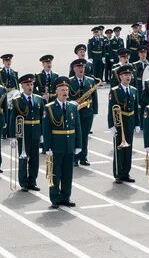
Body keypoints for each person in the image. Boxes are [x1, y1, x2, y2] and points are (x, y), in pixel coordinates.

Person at [42, 77, 82, 208]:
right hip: (56, 145)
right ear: (56, 92)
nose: (65, 92)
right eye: (62, 89)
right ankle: (55, 198)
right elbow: (46, 129)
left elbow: (77, 127)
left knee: (67, 174)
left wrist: (78, 144)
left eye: (66, 89)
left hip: (69, 145)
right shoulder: (49, 108)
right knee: (55, 173)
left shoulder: (72, 106)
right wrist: (47, 146)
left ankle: (66, 197)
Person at [8, 73, 44, 191]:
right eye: (27, 84)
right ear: (22, 86)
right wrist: (12, 136)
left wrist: (42, 134)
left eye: (32, 84)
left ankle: (32, 181)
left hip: (36, 132)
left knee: (35, 159)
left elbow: (42, 117)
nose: (30, 87)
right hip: (23, 133)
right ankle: (23, 182)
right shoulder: (17, 100)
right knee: (23, 158)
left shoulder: (38, 99)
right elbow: (13, 119)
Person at [108, 65, 140, 183]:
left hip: (130, 121)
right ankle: (118, 173)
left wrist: (137, 123)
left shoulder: (134, 90)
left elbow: (136, 109)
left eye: (129, 75)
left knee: (128, 148)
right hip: (119, 122)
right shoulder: (115, 90)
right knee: (119, 149)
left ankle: (126, 172)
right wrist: (111, 125)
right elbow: (111, 109)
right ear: (120, 76)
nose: (128, 77)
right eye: (126, 75)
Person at [69, 58, 98, 166]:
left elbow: (94, 97)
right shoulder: (70, 81)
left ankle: (83, 157)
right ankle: (75, 158)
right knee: (76, 134)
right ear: (74, 69)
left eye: (82, 67)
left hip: (87, 112)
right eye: (78, 67)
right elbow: (67, 97)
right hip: (75, 112)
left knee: (85, 135)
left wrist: (95, 111)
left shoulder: (90, 80)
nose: (81, 69)